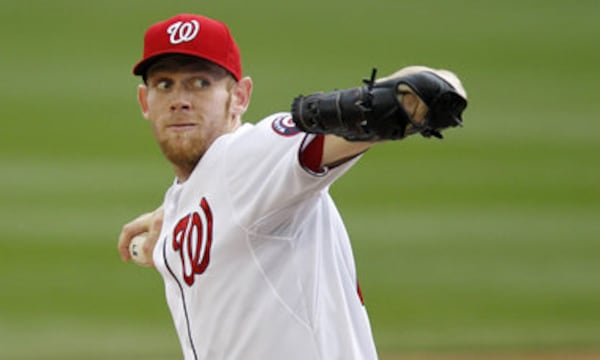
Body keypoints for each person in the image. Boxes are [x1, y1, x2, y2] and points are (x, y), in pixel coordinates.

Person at [117, 13, 467, 360]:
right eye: (165, 84)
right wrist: (175, 220)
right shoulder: (197, 193)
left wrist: (403, 97)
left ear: (239, 96)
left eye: (200, 83)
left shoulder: (251, 156)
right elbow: (225, 203)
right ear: (145, 102)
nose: (180, 99)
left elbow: (435, 88)